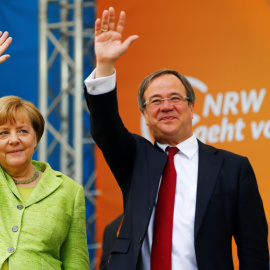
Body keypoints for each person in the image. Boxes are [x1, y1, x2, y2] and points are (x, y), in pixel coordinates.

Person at [84, 7, 269, 270]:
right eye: (156, 101)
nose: (166, 106)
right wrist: (104, 66)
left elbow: (254, 252)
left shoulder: (233, 168)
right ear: (145, 115)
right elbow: (105, 127)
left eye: (175, 98)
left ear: (192, 108)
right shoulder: (134, 159)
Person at [0, 41, 90, 269]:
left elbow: (76, 263)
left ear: (36, 138)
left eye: (23, 131)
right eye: (3, 133)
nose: (14, 139)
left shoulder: (69, 191)